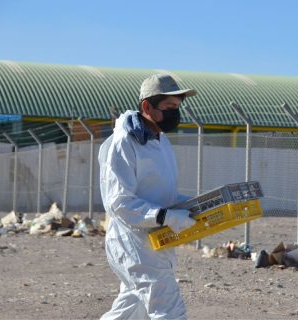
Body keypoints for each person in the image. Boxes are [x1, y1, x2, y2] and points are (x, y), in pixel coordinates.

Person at [99, 74, 198, 319]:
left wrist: (188, 205)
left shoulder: (160, 141)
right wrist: (165, 216)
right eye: (170, 107)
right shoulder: (124, 143)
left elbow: (160, 192)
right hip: (133, 240)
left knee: (133, 307)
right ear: (147, 106)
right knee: (168, 310)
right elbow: (119, 202)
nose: (176, 113)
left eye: (178, 107)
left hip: (154, 238)